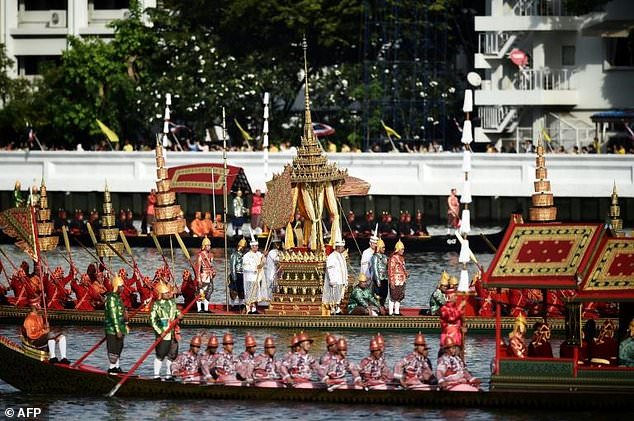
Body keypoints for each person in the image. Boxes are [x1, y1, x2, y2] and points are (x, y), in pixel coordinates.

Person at [150, 282, 180, 380]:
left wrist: (180, 315)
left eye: (168, 292)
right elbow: (153, 320)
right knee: (160, 354)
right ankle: (156, 375)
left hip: (173, 332)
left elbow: (176, 312)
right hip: (163, 332)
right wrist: (160, 331)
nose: (168, 294)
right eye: (166, 293)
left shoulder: (172, 302)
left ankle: (168, 375)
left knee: (172, 355)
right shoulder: (156, 304)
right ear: (161, 294)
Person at [103, 275, 128, 373]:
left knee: (119, 347)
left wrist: (125, 318)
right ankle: (112, 368)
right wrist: (117, 330)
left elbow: (121, 312)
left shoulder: (118, 297)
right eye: (121, 286)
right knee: (113, 349)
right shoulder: (111, 298)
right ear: (116, 287)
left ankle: (117, 367)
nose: (122, 288)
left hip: (121, 326)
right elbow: (113, 316)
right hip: (112, 328)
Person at [322, 239, 348, 315]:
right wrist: (332, 280)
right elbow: (330, 269)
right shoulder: (332, 257)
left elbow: (344, 269)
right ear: (338, 247)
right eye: (342, 247)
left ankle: (337, 308)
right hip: (336, 281)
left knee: (340, 296)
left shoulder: (342, 256)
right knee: (334, 296)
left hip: (341, 280)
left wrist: (346, 280)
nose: (343, 248)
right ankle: (334, 309)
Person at [242, 234, 264, 314]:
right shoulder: (247, 256)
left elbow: (263, 261)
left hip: (257, 278)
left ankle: (254, 309)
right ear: (252, 247)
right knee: (249, 294)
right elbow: (245, 267)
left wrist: (264, 257)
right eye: (255, 246)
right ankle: (248, 309)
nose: (257, 247)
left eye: (257, 246)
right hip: (250, 277)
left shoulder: (259, 254)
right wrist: (255, 268)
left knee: (256, 294)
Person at [195, 237, 216, 313]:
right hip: (202, 276)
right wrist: (198, 279)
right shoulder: (200, 255)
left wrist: (213, 272)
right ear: (204, 246)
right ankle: (199, 309)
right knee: (201, 293)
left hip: (209, 276)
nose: (209, 247)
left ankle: (206, 309)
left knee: (209, 292)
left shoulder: (211, 255)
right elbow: (198, 268)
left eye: (209, 245)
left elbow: (211, 266)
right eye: (207, 245)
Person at [387, 240, 408, 316]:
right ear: (398, 249)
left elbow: (403, 268)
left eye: (403, 249)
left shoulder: (402, 258)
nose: (403, 251)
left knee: (399, 296)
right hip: (395, 280)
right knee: (393, 296)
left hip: (402, 280)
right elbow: (390, 271)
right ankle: (390, 312)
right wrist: (391, 281)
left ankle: (396, 312)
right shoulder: (393, 258)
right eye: (402, 249)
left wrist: (406, 274)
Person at [370, 238, 389, 307]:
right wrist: (378, 280)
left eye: (384, 247)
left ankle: (382, 306)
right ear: (379, 248)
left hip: (385, 278)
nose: (384, 249)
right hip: (378, 278)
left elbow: (388, 267)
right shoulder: (375, 257)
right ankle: (377, 308)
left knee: (385, 294)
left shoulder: (385, 256)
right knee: (377, 294)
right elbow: (375, 268)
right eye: (383, 248)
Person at [263, 234, 282, 302]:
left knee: (276, 287)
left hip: (276, 272)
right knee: (271, 287)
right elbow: (277, 260)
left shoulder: (279, 252)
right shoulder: (272, 252)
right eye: (277, 243)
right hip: (271, 272)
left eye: (279, 243)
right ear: (274, 244)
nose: (278, 245)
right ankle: (270, 301)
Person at [229, 238, 247, 310]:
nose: (242, 249)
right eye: (242, 247)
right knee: (234, 290)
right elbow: (232, 266)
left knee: (242, 290)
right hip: (236, 274)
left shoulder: (244, 255)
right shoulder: (234, 255)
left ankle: (241, 304)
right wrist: (234, 277)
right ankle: (232, 305)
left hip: (243, 274)